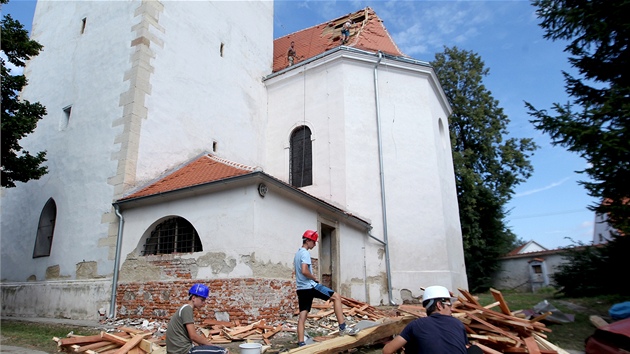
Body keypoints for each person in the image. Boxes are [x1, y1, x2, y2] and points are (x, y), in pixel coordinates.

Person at [294, 229, 358, 347]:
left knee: (302, 316)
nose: (314, 244)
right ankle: (343, 327)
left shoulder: (297, 254)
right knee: (336, 297)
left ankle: (301, 343)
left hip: (301, 289)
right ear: (308, 240)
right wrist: (314, 277)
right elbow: (304, 270)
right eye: (313, 242)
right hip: (310, 286)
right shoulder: (305, 253)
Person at [382, 285, 473, 354]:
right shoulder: (457, 324)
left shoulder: (416, 325)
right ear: (439, 305)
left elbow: (387, 351)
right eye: (449, 304)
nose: (451, 308)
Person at [166, 283, 229, 354]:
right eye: (202, 300)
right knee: (223, 351)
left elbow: (189, 337)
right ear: (193, 298)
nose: (203, 303)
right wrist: (211, 346)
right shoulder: (187, 309)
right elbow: (193, 336)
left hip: (178, 349)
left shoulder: (184, 308)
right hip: (183, 351)